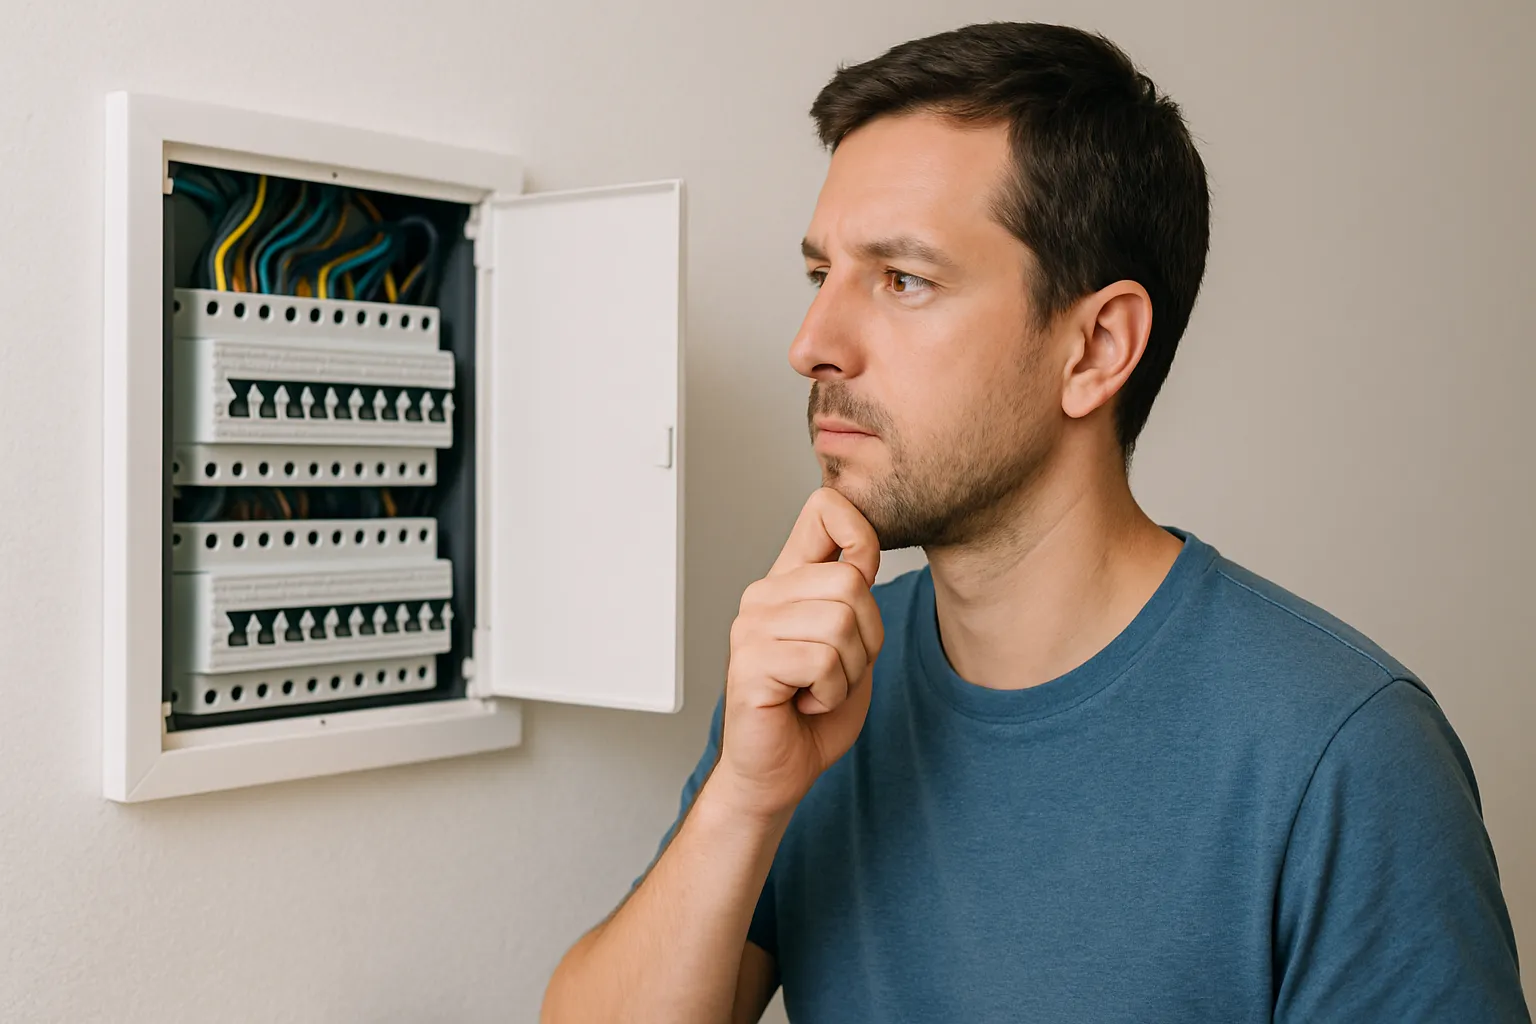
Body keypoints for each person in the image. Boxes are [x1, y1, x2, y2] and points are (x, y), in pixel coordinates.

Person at [542, 21, 1529, 1023]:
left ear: (1097, 348)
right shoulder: (810, 681)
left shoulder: (1344, 754)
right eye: (819, 275)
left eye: (905, 280)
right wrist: (747, 797)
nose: (812, 343)